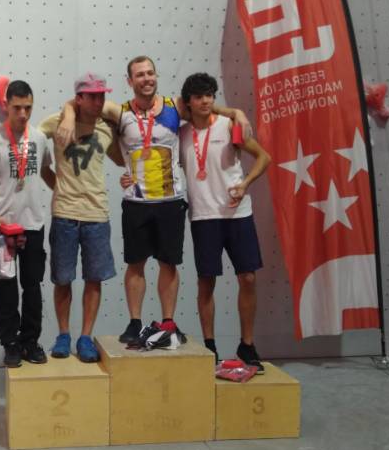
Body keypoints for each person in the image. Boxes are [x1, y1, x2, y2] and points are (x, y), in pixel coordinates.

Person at [57, 56, 251, 343]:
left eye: (150, 73)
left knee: (168, 264)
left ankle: (168, 321)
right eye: (139, 75)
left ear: (156, 75)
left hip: (170, 202)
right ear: (130, 81)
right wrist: (68, 115)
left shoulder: (175, 106)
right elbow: (79, 101)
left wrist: (237, 113)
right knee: (135, 264)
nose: (146, 78)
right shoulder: (119, 111)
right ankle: (135, 322)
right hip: (136, 202)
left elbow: (206, 105)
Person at [178, 72, 271, 372]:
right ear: (188, 102)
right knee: (206, 281)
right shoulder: (181, 134)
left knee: (248, 278)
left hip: (237, 214)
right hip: (204, 216)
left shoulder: (229, 125)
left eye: (210, 95)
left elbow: (263, 157)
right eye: (199, 97)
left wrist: (245, 184)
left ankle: (247, 344)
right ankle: (210, 346)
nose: (206, 101)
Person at [39, 72, 122, 362]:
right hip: (64, 213)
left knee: (94, 279)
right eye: (93, 97)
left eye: (102, 96)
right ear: (79, 98)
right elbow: (30, 143)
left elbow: (121, 159)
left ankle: (86, 337)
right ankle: (63, 335)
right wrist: (59, 187)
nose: (99, 102)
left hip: (97, 214)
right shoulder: (56, 122)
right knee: (62, 279)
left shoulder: (106, 127)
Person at [0, 80, 51, 368]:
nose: (23, 113)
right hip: (1, 230)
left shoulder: (39, 138)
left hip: (33, 226)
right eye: (17, 108)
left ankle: (30, 340)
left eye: (28, 107)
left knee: (33, 285)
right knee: (4, 288)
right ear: (6, 106)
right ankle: (11, 344)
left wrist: (66, 194)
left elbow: (46, 172)